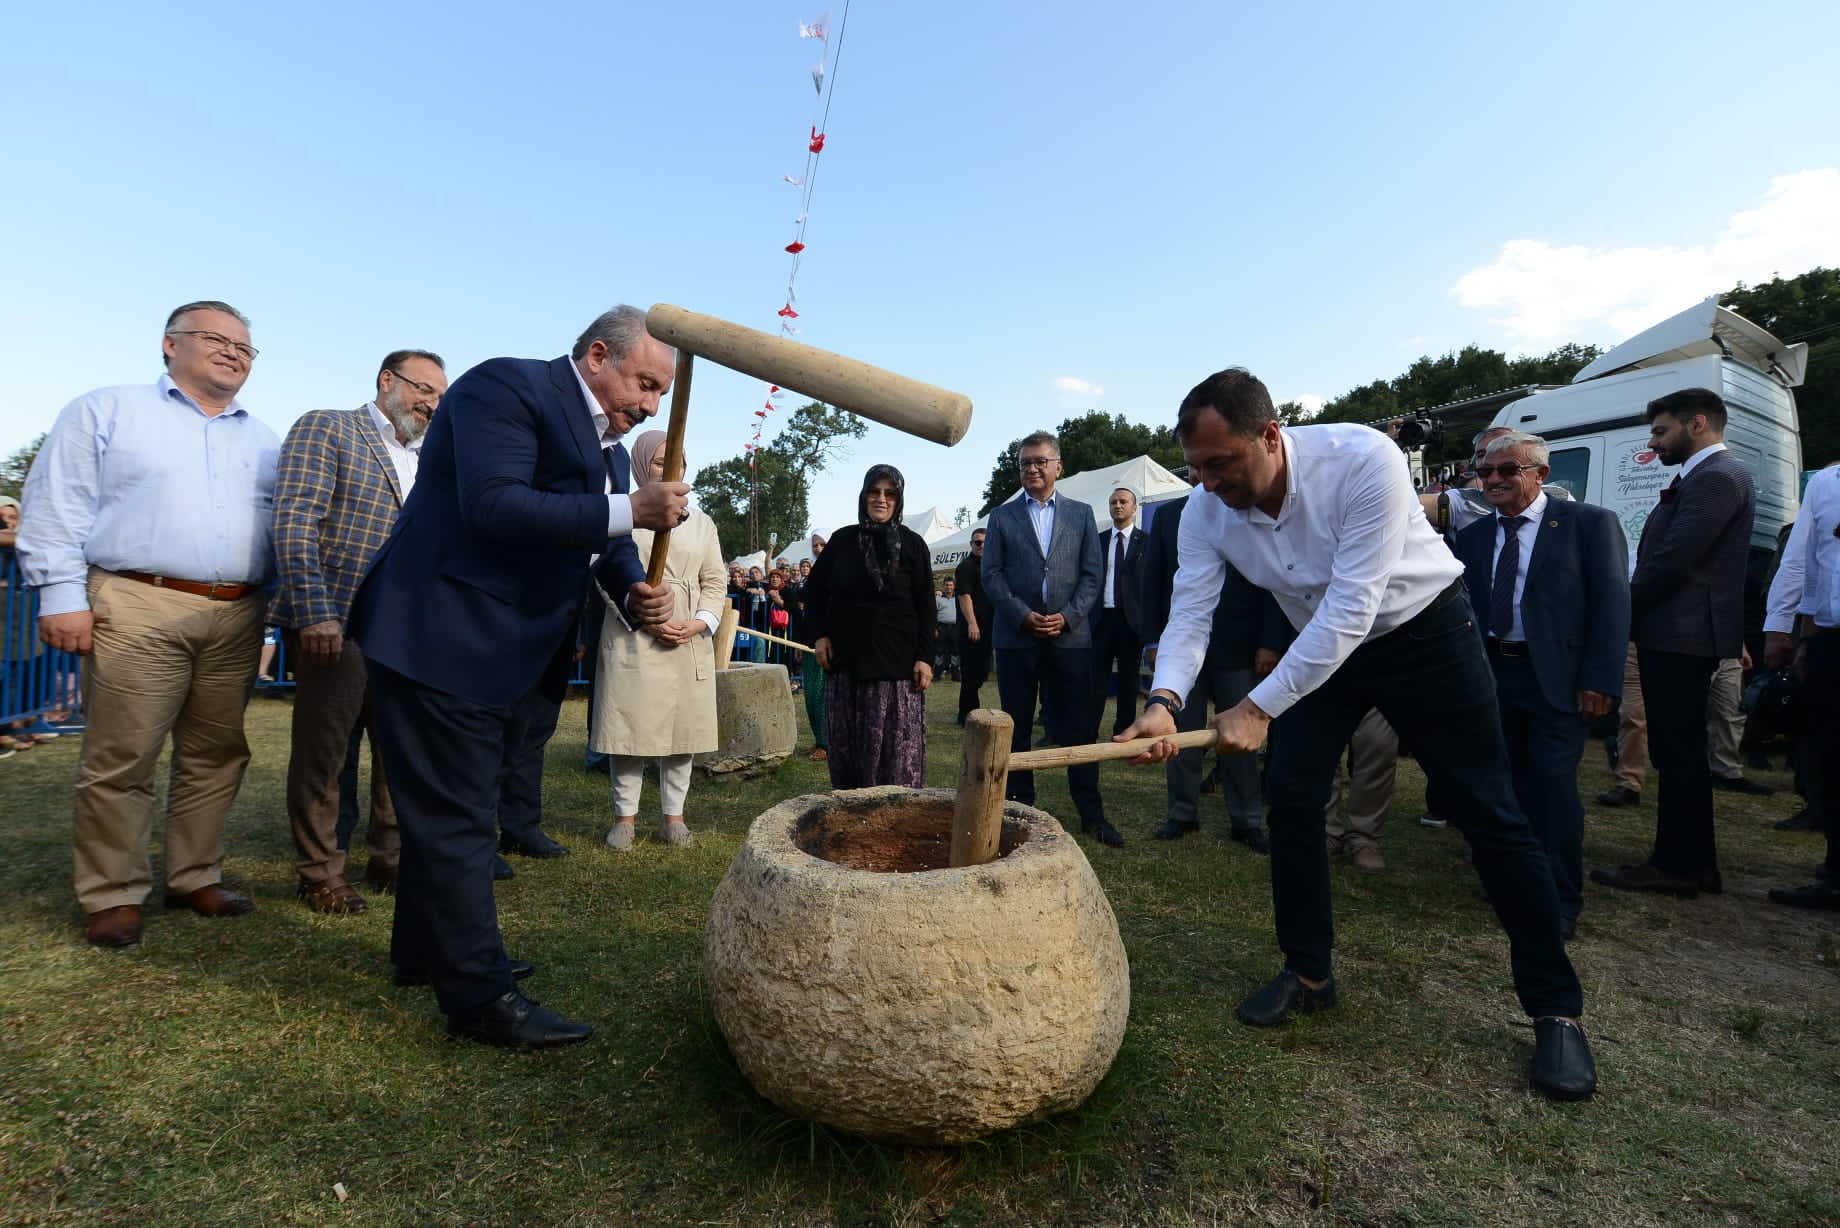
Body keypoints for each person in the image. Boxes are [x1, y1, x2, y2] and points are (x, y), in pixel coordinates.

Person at [1121, 367, 1594, 1101]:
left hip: (1422, 631)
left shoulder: (1364, 458)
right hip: (1321, 648)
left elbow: (1354, 606)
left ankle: (1555, 1009)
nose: (1208, 483)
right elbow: (1191, 611)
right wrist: (1165, 697)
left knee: (1491, 813)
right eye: (1196, 468)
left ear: (1271, 437)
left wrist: (1257, 708)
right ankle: (1308, 971)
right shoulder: (1203, 510)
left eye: (1222, 464)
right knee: (1294, 798)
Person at [348, 305, 688, 1049]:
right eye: (645, 383)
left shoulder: (600, 441)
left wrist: (632, 584)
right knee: (462, 816)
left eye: (663, 393)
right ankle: (478, 996)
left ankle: (424, 953)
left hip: (490, 647)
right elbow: (496, 506)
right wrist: (629, 508)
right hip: (440, 633)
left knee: (442, 811)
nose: (652, 405)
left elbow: (601, 544)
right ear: (598, 355)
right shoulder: (506, 389)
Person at [17, 301, 280, 948]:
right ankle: (112, 892)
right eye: (215, 339)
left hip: (239, 609)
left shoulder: (264, 438)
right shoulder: (106, 409)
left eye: (245, 347)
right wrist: (59, 593)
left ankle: (194, 874)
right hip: (137, 599)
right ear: (170, 344)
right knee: (122, 754)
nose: (233, 353)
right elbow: (57, 502)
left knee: (217, 753)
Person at [270, 349, 448, 914]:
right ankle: (320, 869)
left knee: (401, 752)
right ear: (386, 380)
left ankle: (389, 857)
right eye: (423, 389)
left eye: (439, 396)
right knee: (328, 754)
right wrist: (314, 609)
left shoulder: (430, 457)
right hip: (338, 621)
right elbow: (295, 519)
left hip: (408, 631)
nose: (430, 403)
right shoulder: (327, 427)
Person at [1454, 431, 1628, 937]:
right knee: (1503, 785)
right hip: (1494, 674)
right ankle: (1512, 882)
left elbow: (1612, 606)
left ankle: (1558, 899)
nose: (1492, 480)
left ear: (1540, 475)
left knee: (1552, 787)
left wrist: (1600, 679)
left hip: (1558, 679)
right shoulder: (1475, 537)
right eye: (1486, 472)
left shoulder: (1588, 525)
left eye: (1506, 470)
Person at [1592, 389, 1755, 900]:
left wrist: (1622, 608)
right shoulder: (1706, 477)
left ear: (1698, 424)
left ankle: (1677, 865)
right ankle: (1694, 864)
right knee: (1678, 750)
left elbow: (1676, 558)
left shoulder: (1717, 477)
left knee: (1679, 752)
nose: (1653, 441)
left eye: (1661, 431)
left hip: (1682, 634)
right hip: (1678, 631)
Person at [982, 431, 1121, 846]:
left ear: (1058, 467)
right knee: (1018, 728)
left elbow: (1093, 576)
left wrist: (1069, 616)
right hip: (1016, 639)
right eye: (1025, 463)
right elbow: (992, 575)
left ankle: (1091, 812)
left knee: (1079, 727)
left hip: (1070, 638)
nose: (1032, 469)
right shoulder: (1002, 517)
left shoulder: (1081, 514)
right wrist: (1023, 616)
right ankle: (1021, 810)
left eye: (1040, 461)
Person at [595, 430, 726, 850]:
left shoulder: (703, 523)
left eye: (678, 461)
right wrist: (644, 616)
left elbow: (714, 579)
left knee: (680, 733)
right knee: (629, 731)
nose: (671, 469)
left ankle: (674, 817)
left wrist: (701, 621)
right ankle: (625, 819)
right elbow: (603, 572)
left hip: (686, 637)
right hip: (634, 633)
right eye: (659, 462)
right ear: (639, 464)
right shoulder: (621, 513)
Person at [1138, 484, 1284, 851]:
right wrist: (1155, 640)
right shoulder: (1171, 515)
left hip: (1239, 645)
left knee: (1238, 736)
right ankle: (1182, 814)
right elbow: (1153, 580)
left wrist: (1269, 640)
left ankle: (1246, 820)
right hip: (1183, 650)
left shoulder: (1247, 505)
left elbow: (1272, 580)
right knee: (1179, 737)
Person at [804, 465, 935, 788]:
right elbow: (815, 590)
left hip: (898, 670)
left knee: (897, 763)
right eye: (874, 492)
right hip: (849, 664)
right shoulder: (842, 541)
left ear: (898, 499)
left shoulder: (913, 545)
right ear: (863, 496)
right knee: (850, 759)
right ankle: (854, 822)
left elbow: (926, 605)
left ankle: (898, 823)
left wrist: (925, 658)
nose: (881, 499)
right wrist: (819, 635)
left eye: (890, 494)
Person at [1763, 463, 1839, 908]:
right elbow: (1804, 562)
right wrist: (1785, 628)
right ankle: (1835, 870)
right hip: (1832, 640)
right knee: (1831, 756)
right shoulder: (1827, 485)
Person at [1093, 487, 1147, 737]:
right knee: (1095, 680)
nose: (1118, 505)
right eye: (1113, 501)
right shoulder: (1097, 540)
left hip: (1131, 620)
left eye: (1123, 501)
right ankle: (1088, 730)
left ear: (1134, 507)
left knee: (1128, 681)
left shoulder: (1146, 542)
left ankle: (1123, 730)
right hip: (1100, 619)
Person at [953, 527, 994, 725]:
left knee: (981, 673)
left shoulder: (991, 566)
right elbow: (964, 596)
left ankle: (969, 712)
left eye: (986, 542)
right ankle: (966, 715)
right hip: (972, 630)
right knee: (971, 674)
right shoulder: (966, 567)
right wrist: (972, 624)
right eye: (978, 542)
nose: (982, 546)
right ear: (971, 544)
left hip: (988, 628)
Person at [934, 576, 959, 678]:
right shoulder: (938, 599)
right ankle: (937, 673)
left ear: (954, 586)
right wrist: (934, 628)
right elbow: (933, 614)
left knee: (955, 650)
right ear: (943, 586)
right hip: (941, 627)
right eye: (947, 585)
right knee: (939, 651)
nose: (949, 587)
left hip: (955, 627)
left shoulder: (958, 598)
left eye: (951, 585)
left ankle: (955, 674)